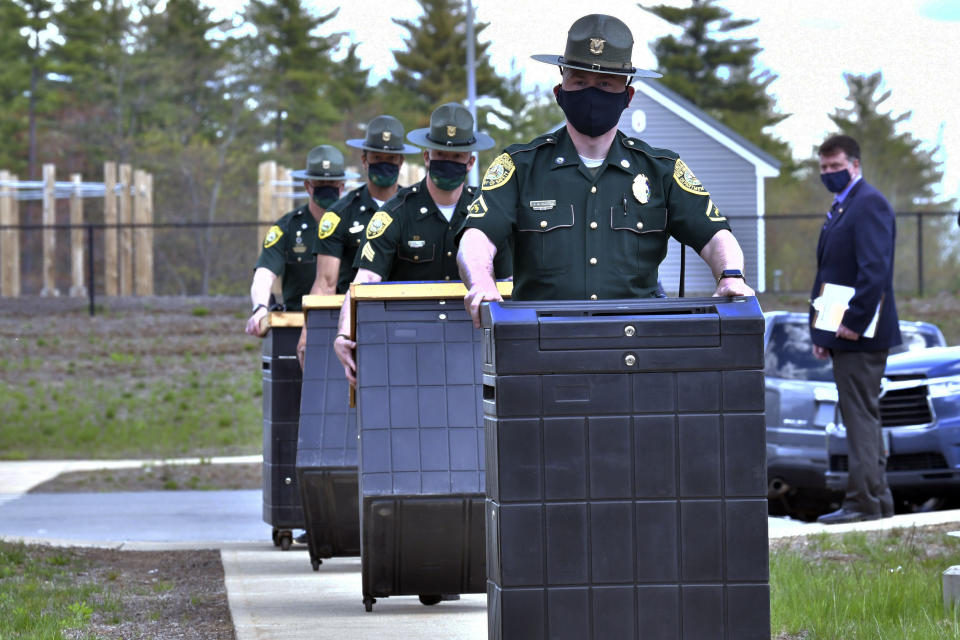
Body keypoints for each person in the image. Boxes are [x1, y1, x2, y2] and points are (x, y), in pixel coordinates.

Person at [455, 13, 754, 327]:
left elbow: (714, 234)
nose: (591, 92)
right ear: (560, 92)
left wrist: (730, 275)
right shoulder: (519, 166)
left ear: (628, 97)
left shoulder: (661, 170)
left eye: (605, 83)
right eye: (580, 81)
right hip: (543, 350)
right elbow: (477, 236)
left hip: (638, 348)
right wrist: (481, 282)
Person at [332, 102, 512, 384]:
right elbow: (365, 279)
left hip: (473, 345)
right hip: (406, 347)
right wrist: (344, 333)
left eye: (457, 156)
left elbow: (509, 281)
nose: (448, 162)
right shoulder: (395, 214)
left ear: (471, 162)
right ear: (427, 157)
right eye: (441, 154)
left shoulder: (489, 212)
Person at [810, 134, 900, 524]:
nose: (829, 173)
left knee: (860, 418)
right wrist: (822, 333)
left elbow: (874, 271)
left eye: (836, 166)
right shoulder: (843, 207)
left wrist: (852, 324)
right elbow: (832, 272)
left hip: (860, 334)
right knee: (861, 415)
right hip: (841, 332)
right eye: (824, 167)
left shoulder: (869, 204)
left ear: (855, 165)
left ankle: (863, 502)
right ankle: (877, 501)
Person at [295, 116, 420, 366]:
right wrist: (308, 333)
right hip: (357, 325)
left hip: (412, 320)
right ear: (365, 160)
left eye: (390, 159)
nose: (384, 164)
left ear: (401, 161)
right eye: (377, 159)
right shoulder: (340, 214)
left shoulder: (416, 209)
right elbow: (325, 282)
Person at [245, 145, 358, 336]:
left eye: (331, 185)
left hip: (349, 324)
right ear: (307, 186)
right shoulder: (287, 228)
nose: (326, 189)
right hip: (297, 325)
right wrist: (260, 308)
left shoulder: (358, 225)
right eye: (320, 184)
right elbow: (264, 274)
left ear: (342, 187)